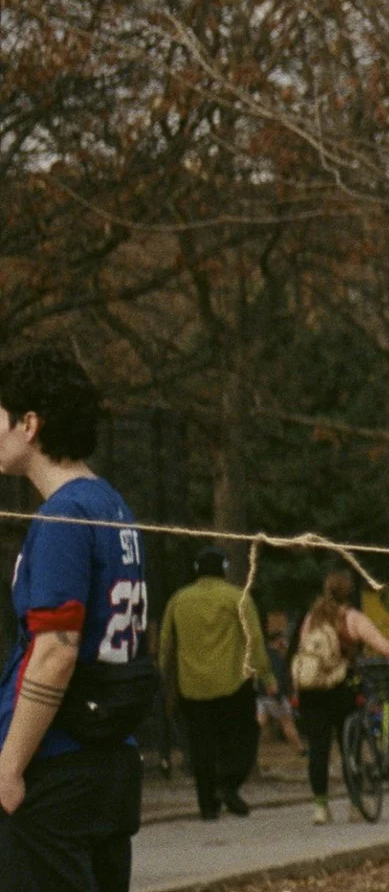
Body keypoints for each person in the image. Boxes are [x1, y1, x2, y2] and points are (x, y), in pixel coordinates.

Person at [0, 347, 148, 892]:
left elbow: (57, 650)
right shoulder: (112, 505)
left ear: (29, 424)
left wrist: (9, 766)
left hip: (58, 770)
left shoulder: (63, 514)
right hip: (108, 766)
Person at [291, 569, 389, 825]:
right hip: (342, 689)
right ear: (350, 594)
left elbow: (304, 656)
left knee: (318, 750)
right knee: (351, 747)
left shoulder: (312, 619)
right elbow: (383, 647)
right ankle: (357, 804)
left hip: (311, 692)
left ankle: (321, 808)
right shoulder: (352, 619)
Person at [160, 548, 273, 820]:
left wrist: (166, 677)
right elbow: (254, 640)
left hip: (192, 687)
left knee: (201, 747)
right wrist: (267, 675)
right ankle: (229, 784)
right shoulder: (237, 598)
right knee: (242, 737)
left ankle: (207, 805)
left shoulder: (178, 600)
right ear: (223, 568)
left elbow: (166, 644)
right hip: (234, 684)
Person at [257, 611, 302, 757]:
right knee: (287, 722)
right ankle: (300, 750)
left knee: (260, 722)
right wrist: (279, 692)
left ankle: (249, 751)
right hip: (274, 695)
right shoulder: (276, 656)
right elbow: (278, 676)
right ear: (278, 641)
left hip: (260, 694)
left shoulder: (263, 653)